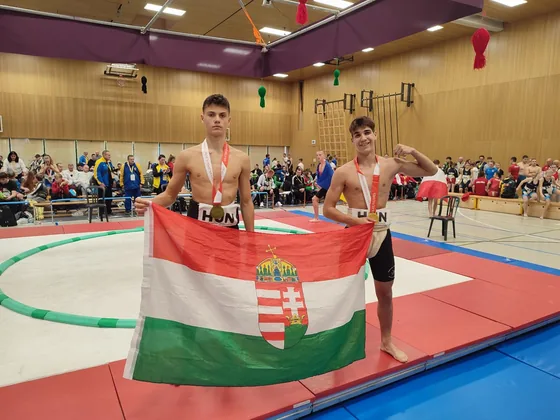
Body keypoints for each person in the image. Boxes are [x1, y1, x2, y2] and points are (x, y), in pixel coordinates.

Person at [322, 116, 437, 363]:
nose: (363, 138)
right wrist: (355, 222)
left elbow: (431, 171)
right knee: (344, 291)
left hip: (382, 233)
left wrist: (412, 151)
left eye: (367, 132)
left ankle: (386, 341)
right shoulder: (343, 172)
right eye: (357, 135)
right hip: (354, 235)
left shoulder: (391, 165)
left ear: (374, 135)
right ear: (352, 141)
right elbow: (328, 209)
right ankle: (336, 343)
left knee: (385, 292)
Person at [135, 94, 254, 231]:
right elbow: (170, 195)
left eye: (222, 115)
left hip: (230, 229)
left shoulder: (242, 159)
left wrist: (251, 237)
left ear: (229, 120)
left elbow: (246, 202)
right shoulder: (187, 156)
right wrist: (148, 203)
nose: (217, 119)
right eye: (211, 114)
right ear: (202, 118)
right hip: (197, 230)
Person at [310, 150, 334, 222]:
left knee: (329, 205)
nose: (318, 157)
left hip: (329, 187)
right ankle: (316, 218)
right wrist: (317, 183)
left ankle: (337, 219)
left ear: (324, 156)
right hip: (324, 187)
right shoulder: (319, 165)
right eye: (317, 155)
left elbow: (332, 176)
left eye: (320, 155)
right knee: (314, 199)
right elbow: (319, 176)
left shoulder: (327, 166)